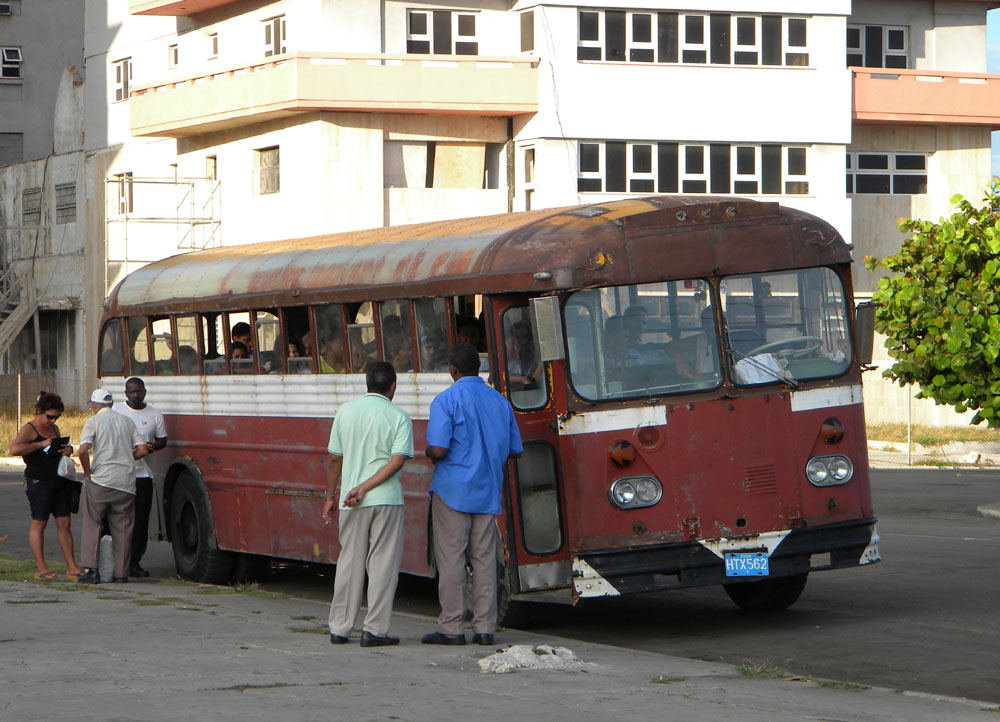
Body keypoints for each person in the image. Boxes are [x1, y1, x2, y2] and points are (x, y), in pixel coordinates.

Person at [422, 344, 523, 646]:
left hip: (453, 490)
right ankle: (485, 628)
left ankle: (451, 627)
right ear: (478, 368)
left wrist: (428, 451)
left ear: (452, 369)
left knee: (451, 559)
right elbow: (516, 450)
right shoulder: (500, 402)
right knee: (484, 560)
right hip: (487, 489)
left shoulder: (446, 400)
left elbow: (438, 450)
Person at [321, 362, 413, 647]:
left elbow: (335, 458)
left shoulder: (345, 411)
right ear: (393, 387)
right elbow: (397, 460)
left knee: (349, 562)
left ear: (367, 383)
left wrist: (330, 495)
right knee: (382, 565)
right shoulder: (399, 416)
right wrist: (368, 487)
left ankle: (340, 627)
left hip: (350, 501)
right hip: (387, 501)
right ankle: (375, 630)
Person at [76, 388, 149, 584]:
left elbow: (83, 450)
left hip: (101, 480)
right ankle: (121, 573)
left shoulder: (93, 421)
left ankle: (91, 569)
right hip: (125, 481)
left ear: (94, 406)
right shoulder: (126, 421)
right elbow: (142, 449)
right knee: (123, 528)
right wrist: (126, 458)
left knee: (93, 523)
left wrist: (87, 471)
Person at [9, 392, 81, 580]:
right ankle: (41, 567)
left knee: (64, 522)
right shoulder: (30, 428)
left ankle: (71, 566)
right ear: (39, 411)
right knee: (39, 522)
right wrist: (40, 444)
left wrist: (67, 450)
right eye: (49, 416)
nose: (52, 420)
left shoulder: (54, 428)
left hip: (58, 480)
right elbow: (15, 449)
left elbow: (56, 448)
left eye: (56, 417)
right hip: (39, 481)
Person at [112, 378, 167, 578]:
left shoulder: (154, 414)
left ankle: (135, 561)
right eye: (132, 392)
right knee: (119, 519)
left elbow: (162, 440)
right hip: (119, 474)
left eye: (139, 391)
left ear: (145, 392)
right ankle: (116, 562)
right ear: (126, 393)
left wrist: (151, 447)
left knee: (140, 520)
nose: (136, 395)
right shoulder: (116, 411)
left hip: (143, 475)